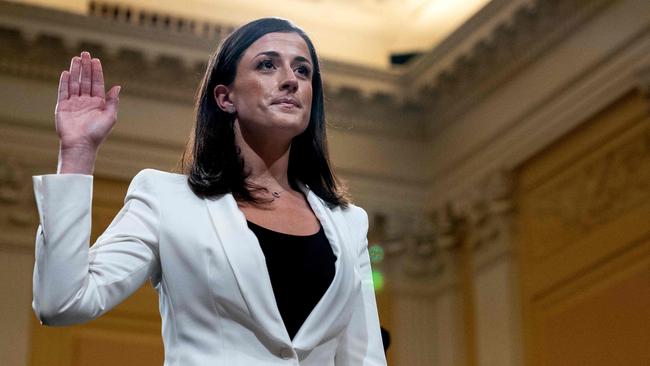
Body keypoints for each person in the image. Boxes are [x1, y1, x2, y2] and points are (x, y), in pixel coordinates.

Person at [31, 17, 387, 365]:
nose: (290, 80)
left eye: (303, 70)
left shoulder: (349, 223)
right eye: (267, 65)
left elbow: (364, 358)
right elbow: (62, 302)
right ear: (225, 97)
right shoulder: (165, 200)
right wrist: (77, 152)